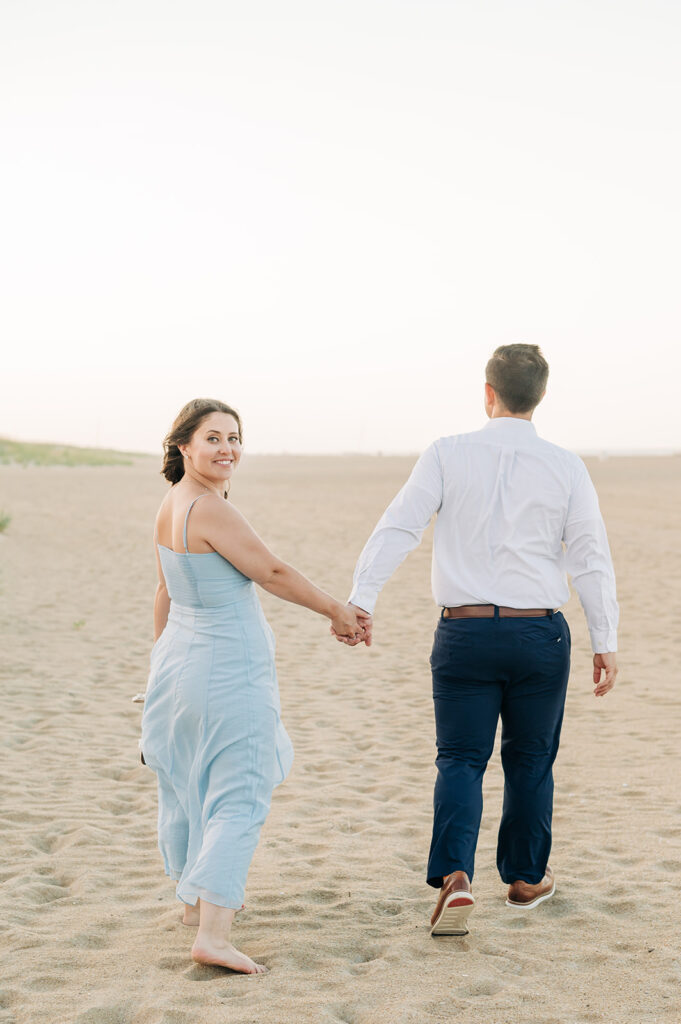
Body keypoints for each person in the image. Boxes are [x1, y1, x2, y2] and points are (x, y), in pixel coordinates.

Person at [336, 344, 618, 936]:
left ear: (487, 393)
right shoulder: (567, 465)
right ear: (539, 397)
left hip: (463, 630)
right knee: (531, 758)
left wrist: (362, 599)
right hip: (539, 631)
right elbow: (590, 558)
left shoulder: (446, 453)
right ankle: (523, 879)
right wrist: (605, 639)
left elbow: (400, 526)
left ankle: (455, 879)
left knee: (461, 758)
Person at [140, 398, 369, 974]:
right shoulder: (209, 509)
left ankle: (195, 904)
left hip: (184, 663)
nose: (227, 449)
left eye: (234, 438)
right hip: (224, 666)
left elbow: (165, 592)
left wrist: (160, 664)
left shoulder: (173, 503)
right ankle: (214, 934)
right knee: (239, 789)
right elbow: (271, 572)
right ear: (183, 446)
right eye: (212, 438)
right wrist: (335, 610)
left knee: (195, 777)